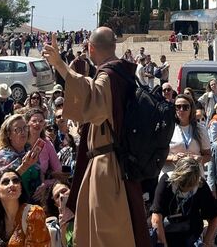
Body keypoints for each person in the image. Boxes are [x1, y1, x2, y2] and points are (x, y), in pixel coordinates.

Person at [42, 27, 151, 246]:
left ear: (90, 48)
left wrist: (60, 65)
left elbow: (93, 98)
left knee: (105, 235)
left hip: (107, 167)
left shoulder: (108, 75)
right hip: (117, 163)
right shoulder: (123, 73)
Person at [151, 157, 217, 247]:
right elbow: (156, 216)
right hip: (167, 232)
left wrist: (206, 243)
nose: (186, 188)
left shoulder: (201, 185)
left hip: (191, 233)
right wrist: (163, 244)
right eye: (182, 185)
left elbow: (215, 216)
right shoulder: (166, 181)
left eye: (190, 186)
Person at [0, 169, 51, 247]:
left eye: (16, 181)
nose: (12, 184)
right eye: (5, 182)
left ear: (21, 189)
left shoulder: (33, 213)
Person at [0, 114, 42, 199]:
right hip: (13, 201)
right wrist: (24, 166)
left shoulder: (29, 150)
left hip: (33, 201)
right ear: (9, 134)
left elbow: (39, 171)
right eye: (18, 129)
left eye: (25, 128)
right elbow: (1, 181)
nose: (23, 132)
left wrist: (42, 186)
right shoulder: (3, 155)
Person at [163, 94, 211, 177]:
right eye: (178, 107)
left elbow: (208, 155)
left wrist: (198, 159)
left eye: (185, 107)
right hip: (171, 175)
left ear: (191, 109)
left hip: (194, 176)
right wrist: (173, 158)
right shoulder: (167, 128)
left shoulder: (200, 129)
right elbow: (158, 155)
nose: (181, 110)